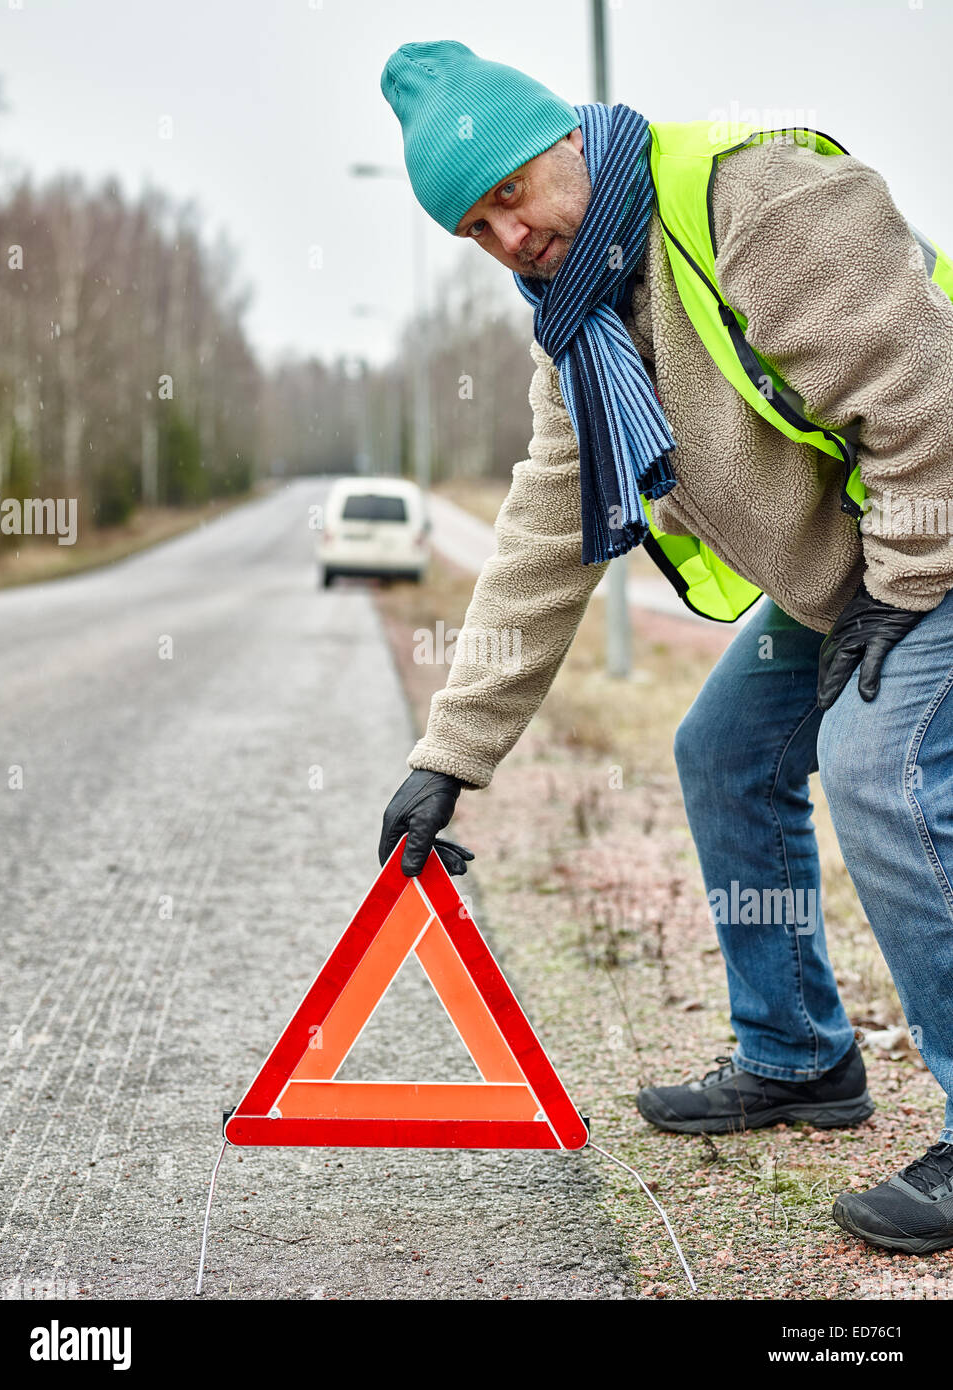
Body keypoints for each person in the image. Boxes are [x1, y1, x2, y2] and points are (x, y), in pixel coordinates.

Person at [376, 39, 953, 1255]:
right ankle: (798, 1055)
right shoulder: (579, 325)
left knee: (876, 766)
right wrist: (452, 754)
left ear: (564, 139)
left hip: (933, 533)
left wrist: (903, 590)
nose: (509, 238)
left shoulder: (759, 202)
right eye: (476, 228)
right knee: (722, 749)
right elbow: (543, 534)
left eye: (513, 195)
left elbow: (927, 401)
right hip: (857, 576)